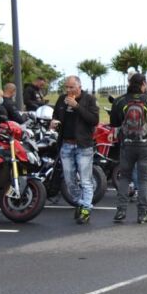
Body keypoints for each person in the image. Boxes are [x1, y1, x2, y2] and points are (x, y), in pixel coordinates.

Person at [110, 74, 147, 224]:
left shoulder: (119, 101)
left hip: (127, 144)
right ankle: (142, 213)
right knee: (144, 179)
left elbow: (114, 123)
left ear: (129, 83)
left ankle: (121, 211)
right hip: (146, 145)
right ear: (144, 84)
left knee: (125, 177)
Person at [52, 76, 101, 224]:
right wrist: (54, 122)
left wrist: (77, 106)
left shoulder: (89, 99)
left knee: (86, 180)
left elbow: (94, 120)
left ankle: (86, 209)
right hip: (66, 144)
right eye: (66, 87)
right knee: (69, 180)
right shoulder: (62, 99)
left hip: (83, 145)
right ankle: (80, 202)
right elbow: (56, 116)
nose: (68, 90)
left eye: (71, 87)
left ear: (79, 86)